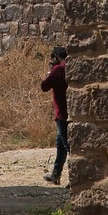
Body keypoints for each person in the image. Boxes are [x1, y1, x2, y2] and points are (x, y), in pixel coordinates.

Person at [41, 45, 68, 184]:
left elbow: (44, 86)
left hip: (62, 114)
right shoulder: (69, 67)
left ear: (56, 57)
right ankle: (55, 175)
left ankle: (75, 179)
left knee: (67, 146)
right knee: (61, 146)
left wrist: (48, 73)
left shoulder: (58, 69)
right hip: (69, 111)